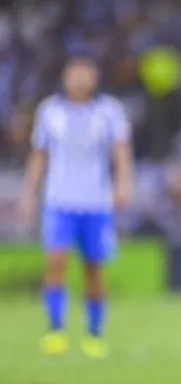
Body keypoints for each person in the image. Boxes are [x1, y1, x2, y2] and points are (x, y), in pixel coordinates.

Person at [19, 54, 133, 359]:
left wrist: (123, 183)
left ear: (94, 77)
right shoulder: (50, 111)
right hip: (59, 200)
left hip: (96, 201)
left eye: (86, 72)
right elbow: (39, 154)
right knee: (55, 263)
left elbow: (120, 150)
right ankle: (55, 330)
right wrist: (29, 193)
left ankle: (94, 334)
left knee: (93, 268)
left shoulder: (108, 111)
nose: (80, 78)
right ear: (66, 77)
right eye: (75, 72)